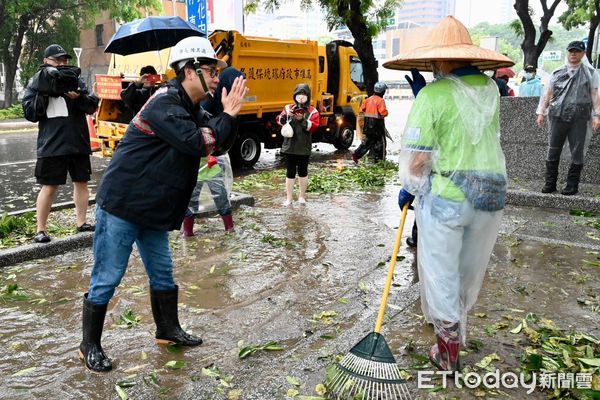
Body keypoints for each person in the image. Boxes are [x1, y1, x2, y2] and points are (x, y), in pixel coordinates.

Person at [79, 36, 247, 373]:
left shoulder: (190, 108)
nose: (216, 78)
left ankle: (167, 330)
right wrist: (225, 115)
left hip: (153, 208)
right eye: (211, 71)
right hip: (124, 205)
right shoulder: (164, 104)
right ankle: (89, 345)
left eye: (217, 72)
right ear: (189, 71)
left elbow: (218, 145)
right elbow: (198, 142)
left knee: (163, 272)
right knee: (108, 276)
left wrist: (229, 114)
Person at [384, 16, 512, 372]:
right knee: (467, 271)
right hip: (491, 193)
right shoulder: (491, 91)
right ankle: (458, 329)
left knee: (441, 274)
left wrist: (409, 189)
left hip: (448, 198)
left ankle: (448, 353)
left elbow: (418, 160)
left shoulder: (432, 94)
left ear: (441, 58)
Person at [22, 44, 99, 243]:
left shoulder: (75, 80)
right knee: (49, 186)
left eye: (64, 60)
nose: (62, 64)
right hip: (51, 145)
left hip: (78, 141)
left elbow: (92, 105)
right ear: (45, 62)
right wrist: (45, 94)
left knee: (81, 182)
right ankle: (41, 230)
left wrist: (78, 97)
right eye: (57, 60)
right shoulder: (37, 83)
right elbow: (30, 113)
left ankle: (81, 223)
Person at [183, 67, 244, 235]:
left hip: (215, 162)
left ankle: (229, 229)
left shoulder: (227, 106)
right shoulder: (205, 103)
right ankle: (187, 232)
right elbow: (197, 136)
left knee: (220, 195)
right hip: (199, 161)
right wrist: (208, 153)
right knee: (192, 198)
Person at [537, 40, 600, 196]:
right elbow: (548, 93)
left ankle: (572, 184)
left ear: (583, 54)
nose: (573, 53)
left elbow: (595, 95)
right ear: (567, 52)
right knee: (553, 149)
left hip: (580, 117)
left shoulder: (590, 73)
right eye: (571, 50)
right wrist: (541, 112)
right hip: (557, 115)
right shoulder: (557, 73)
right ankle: (550, 183)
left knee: (577, 150)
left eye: (577, 51)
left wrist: (596, 115)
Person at [277, 84, 320, 206]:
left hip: (303, 147)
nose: (301, 98)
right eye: (298, 95)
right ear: (294, 96)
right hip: (289, 146)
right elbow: (279, 120)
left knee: (303, 172)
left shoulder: (313, 111)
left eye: (304, 95)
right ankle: (289, 198)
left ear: (308, 96)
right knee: (290, 172)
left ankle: (302, 196)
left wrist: (302, 120)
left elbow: (314, 126)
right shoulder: (288, 108)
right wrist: (287, 116)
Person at [352, 82, 389, 163]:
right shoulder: (381, 101)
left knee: (367, 143)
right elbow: (383, 112)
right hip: (377, 126)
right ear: (382, 91)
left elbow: (362, 109)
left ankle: (356, 154)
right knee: (380, 144)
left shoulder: (368, 100)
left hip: (367, 125)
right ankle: (379, 161)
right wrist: (386, 113)